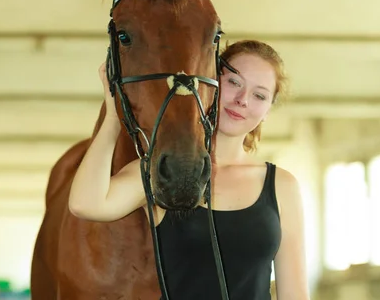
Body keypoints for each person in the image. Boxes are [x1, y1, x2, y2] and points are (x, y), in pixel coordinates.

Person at [68, 39, 310, 300]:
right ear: (210, 83)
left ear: (267, 111)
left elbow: (294, 294)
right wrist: (114, 118)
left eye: (259, 95)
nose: (242, 100)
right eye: (234, 83)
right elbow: (85, 203)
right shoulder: (162, 172)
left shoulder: (281, 185)